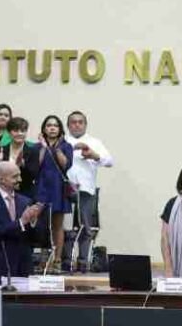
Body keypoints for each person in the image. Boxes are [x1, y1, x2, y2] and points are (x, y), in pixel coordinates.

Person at [0, 161, 44, 284]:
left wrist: (33, 222)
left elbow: (38, 238)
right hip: (0, 264)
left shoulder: (26, 201)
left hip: (24, 265)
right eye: (14, 176)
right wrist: (20, 222)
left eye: (19, 175)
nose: (19, 179)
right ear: (2, 179)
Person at [64, 111, 113, 273]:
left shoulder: (94, 142)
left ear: (85, 125)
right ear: (68, 125)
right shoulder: (62, 141)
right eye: (73, 122)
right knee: (67, 229)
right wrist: (72, 148)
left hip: (86, 190)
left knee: (86, 228)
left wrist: (93, 154)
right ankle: (66, 263)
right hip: (64, 190)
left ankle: (84, 263)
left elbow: (109, 161)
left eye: (80, 122)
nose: (77, 125)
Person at [35, 115, 73, 274]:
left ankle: (57, 260)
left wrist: (56, 148)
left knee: (57, 225)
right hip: (42, 187)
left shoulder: (66, 145)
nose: (52, 128)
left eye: (55, 126)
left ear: (60, 129)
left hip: (58, 187)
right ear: (44, 129)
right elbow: (36, 164)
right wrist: (43, 146)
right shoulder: (38, 146)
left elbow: (66, 165)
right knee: (42, 225)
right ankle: (44, 260)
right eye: (49, 125)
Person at [0, 117, 40, 198]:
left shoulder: (33, 151)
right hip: (3, 194)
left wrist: (23, 165)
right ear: (9, 132)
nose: (19, 133)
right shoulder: (1, 150)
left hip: (25, 194)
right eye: (16, 131)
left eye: (22, 131)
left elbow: (34, 175)